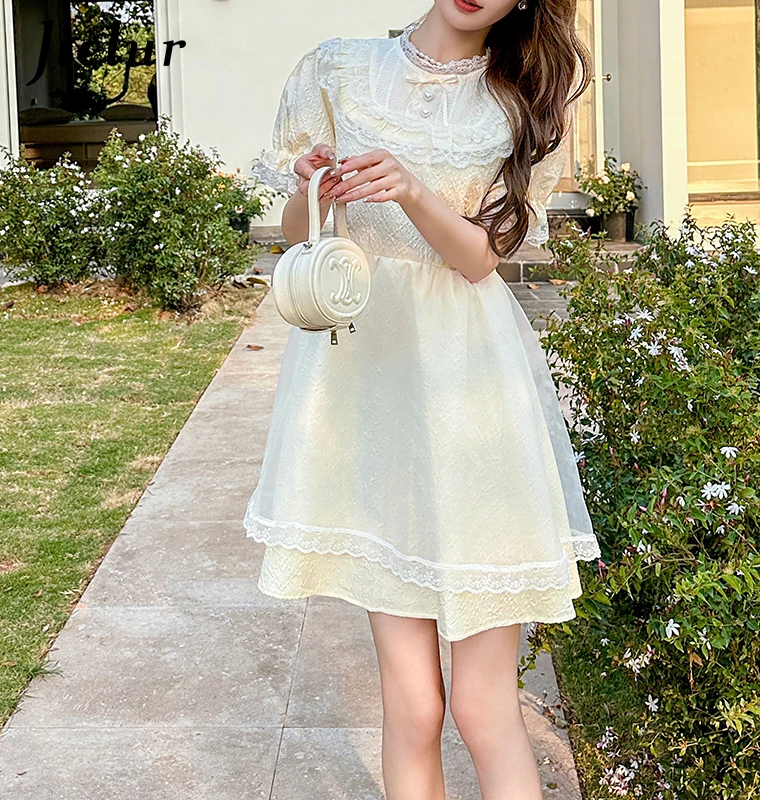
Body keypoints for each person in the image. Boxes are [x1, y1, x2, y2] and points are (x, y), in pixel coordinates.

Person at [244, 2, 601, 797]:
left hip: (472, 389)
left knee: (482, 704)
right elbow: (299, 229)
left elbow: (481, 260)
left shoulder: (524, 98)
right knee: (412, 703)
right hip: (367, 387)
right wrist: (317, 185)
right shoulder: (338, 69)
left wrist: (410, 190)